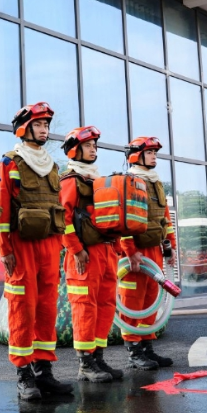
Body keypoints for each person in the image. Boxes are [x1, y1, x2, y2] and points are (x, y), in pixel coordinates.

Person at [0, 103, 73, 400]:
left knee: (46, 309)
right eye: (39, 125)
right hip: (21, 245)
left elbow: (58, 210)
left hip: (49, 246)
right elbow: (2, 205)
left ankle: (44, 371)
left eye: (46, 126)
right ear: (24, 128)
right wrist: (4, 249)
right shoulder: (11, 162)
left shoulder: (52, 165)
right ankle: (24, 374)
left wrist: (64, 247)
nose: (44, 130)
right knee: (22, 309)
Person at [60, 126, 122, 383]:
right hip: (83, 256)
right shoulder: (70, 181)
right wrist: (76, 249)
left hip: (106, 252)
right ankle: (85, 363)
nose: (94, 149)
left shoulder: (98, 181)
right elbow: (63, 219)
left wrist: (117, 248)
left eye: (95, 145)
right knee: (85, 308)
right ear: (75, 150)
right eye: (88, 145)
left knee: (106, 306)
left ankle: (98, 358)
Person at [119, 137, 176, 370]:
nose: (154, 156)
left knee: (151, 300)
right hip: (135, 255)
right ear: (136, 155)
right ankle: (134, 353)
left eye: (155, 152)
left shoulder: (156, 183)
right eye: (150, 152)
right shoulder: (128, 182)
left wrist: (169, 245)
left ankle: (147, 349)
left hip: (153, 252)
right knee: (133, 303)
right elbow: (122, 221)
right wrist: (130, 252)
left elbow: (165, 219)